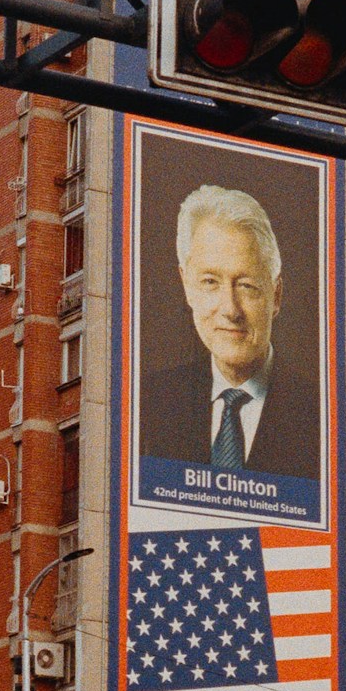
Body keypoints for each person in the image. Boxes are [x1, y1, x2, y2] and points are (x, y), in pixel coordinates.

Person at [139, 183, 319, 483]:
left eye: (246, 285)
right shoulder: (148, 404)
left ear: (276, 295)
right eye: (210, 282)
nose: (230, 309)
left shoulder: (320, 417)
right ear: (187, 286)